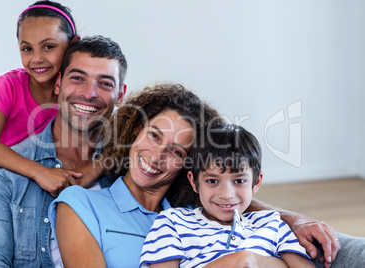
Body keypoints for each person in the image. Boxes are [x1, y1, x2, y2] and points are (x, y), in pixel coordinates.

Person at [0, 35, 127, 267]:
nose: (89, 93)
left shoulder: (132, 165)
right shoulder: (0, 173)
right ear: (58, 83)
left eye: (105, 83)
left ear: (120, 95)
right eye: (78, 78)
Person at [47, 83, 240, 267]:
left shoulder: (196, 217)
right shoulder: (79, 204)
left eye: (176, 152)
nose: (156, 157)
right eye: (154, 136)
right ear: (137, 130)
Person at [0, 0, 83, 247]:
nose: (37, 58)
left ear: (73, 45)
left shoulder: (75, 96)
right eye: (27, 49)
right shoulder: (9, 85)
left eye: (48, 46)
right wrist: (41, 172)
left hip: (26, 203)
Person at [139, 123, 315, 268]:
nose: (226, 194)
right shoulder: (172, 222)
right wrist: (236, 262)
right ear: (194, 182)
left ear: (256, 182)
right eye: (212, 181)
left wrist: (251, 261)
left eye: (239, 181)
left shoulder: (272, 224)